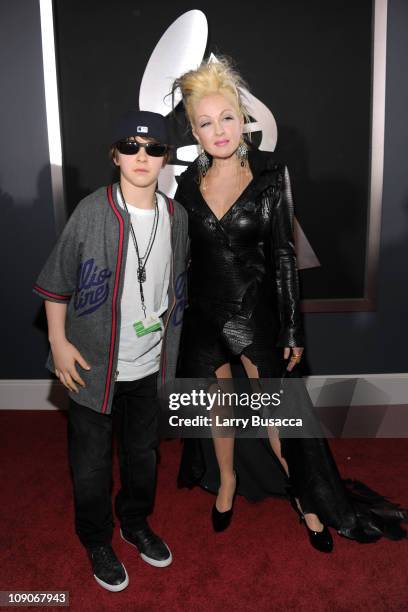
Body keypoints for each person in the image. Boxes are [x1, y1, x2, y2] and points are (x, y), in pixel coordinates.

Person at [171, 58, 407, 552]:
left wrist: (293, 331)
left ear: (243, 120)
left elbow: (283, 256)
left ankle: (306, 496)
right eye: (206, 122)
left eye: (227, 117)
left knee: (275, 416)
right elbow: (180, 255)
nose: (219, 130)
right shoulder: (186, 185)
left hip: (255, 315)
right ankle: (228, 482)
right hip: (204, 315)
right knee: (220, 411)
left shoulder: (272, 178)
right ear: (193, 130)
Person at [33, 110, 188, 590]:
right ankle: (96, 537)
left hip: (148, 367)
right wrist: (58, 344)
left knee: (143, 457)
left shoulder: (176, 217)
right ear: (115, 154)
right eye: (132, 146)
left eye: (154, 149)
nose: (142, 156)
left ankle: (134, 523)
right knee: (92, 464)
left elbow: (175, 288)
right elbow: (55, 286)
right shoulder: (91, 210)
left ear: (166, 159)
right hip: (92, 367)